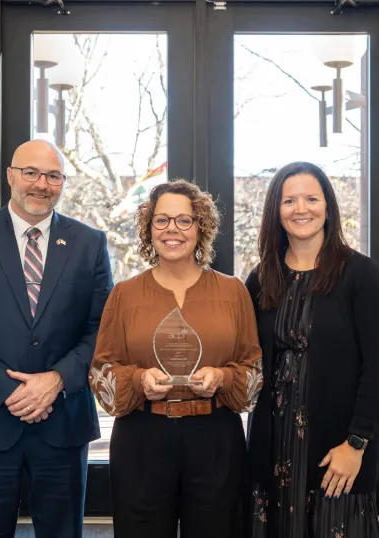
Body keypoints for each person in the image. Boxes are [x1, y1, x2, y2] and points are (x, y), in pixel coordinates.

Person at [0, 139, 113, 538]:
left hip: (62, 420)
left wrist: (56, 380)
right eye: (31, 172)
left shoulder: (89, 243)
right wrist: (10, 390)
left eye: (53, 175)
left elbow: (103, 328)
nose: (41, 184)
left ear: (63, 182)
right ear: (11, 176)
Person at [88, 179, 263, 538]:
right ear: (148, 228)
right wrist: (138, 381)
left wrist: (223, 378)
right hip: (142, 438)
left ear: (201, 228)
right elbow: (101, 371)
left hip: (215, 437)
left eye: (184, 220)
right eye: (162, 220)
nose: (173, 230)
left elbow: (253, 370)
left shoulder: (233, 292)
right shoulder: (124, 294)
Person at [244, 161, 379, 538]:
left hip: (337, 447)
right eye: (289, 201)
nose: (301, 209)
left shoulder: (361, 275)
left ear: (328, 205)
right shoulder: (261, 277)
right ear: (275, 212)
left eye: (311, 198)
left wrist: (356, 444)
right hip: (273, 445)